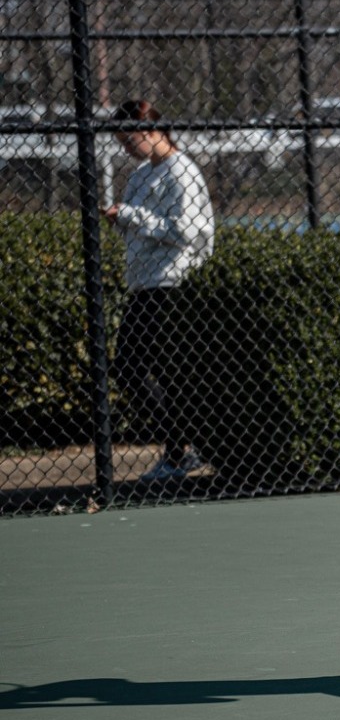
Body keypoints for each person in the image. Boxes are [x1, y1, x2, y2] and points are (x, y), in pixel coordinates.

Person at [104, 99, 215, 482]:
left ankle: (179, 450)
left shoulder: (181, 172)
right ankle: (184, 444)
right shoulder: (139, 175)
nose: (126, 150)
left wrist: (132, 216)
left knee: (153, 369)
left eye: (130, 141)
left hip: (172, 281)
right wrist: (122, 218)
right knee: (132, 369)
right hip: (144, 282)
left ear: (152, 131)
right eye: (122, 144)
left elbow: (186, 230)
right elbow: (138, 223)